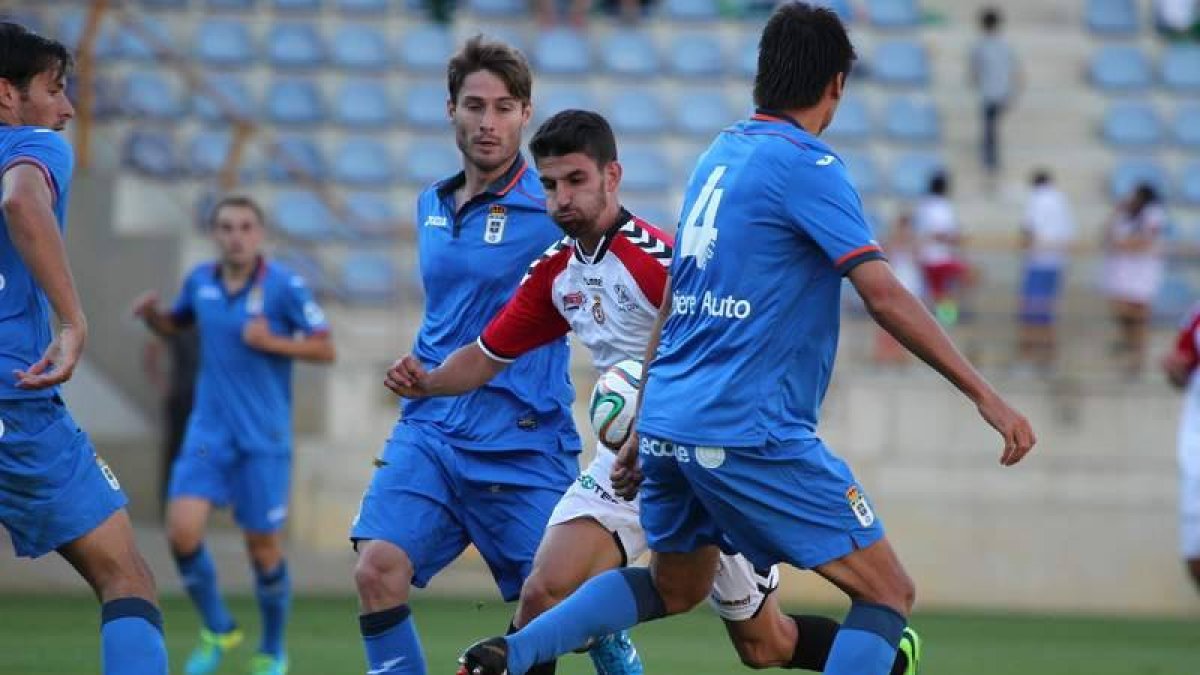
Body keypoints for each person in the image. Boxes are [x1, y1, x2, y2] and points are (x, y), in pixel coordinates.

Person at [458, 5, 1035, 675]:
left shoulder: (718, 154)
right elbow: (881, 292)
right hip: (747, 428)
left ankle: (515, 649)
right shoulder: (809, 164)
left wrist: (647, 419)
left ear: (764, 76)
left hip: (672, 421)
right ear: (837, 86)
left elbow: (678, 295)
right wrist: (985, 394)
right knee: (887, 591)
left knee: (678, 586)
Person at [388, 109, 917, 674]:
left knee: (766, 646)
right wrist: (429, 382)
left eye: (576, 181)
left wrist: (652, 421)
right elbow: (486, 355)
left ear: (611, 177)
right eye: (549, 185)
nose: (561, 198)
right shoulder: (555, 275)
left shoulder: (657, 261)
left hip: (703, 447)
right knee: (543, 590)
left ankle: (886, 658)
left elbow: (720, 349)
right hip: (625, 459)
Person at [348, 37, 643, 675]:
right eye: (474, 105)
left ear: (525, 114)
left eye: (504, 108)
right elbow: (451, 312)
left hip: (522, 436)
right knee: (376, 569)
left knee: (549, 606)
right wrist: (419, 370)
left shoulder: (551, 203)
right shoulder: (431, 203)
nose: (488, 122)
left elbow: (622, 255)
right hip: (432, 426)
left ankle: (607, 639)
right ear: (449, 109)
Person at [0, 21, 168, 674]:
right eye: (54, 88)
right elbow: (20, 200)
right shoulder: (33, 145)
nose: (68, 109)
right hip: (16, 398)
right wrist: (73, 321)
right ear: (6, 96)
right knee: (127, 576)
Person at [132, 195, 336, 675]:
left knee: (261, 549)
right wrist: (153, 318)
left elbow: (325, 348)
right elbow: (178, 324)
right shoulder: (200, 280)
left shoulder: (285, 286)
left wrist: (274, 343)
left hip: (263, 438)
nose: (235, 236)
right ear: (215, 234)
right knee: (182, 532)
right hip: (208, 431)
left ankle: (271, 649)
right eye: (226, 227)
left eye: (245, 227)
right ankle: (219, 627)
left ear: (259, 234)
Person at [1102, 183, 1166, 377]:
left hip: (1142, 274)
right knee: (1122, 313)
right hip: (1123, 274)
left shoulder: (1154, 214)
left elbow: (1145, 241)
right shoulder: (1125, 216)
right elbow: (1107, 236)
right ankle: (1129, 348)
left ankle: (1137, 359)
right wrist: (1116, 212)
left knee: (1138, 316)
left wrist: (1123, 244)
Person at [1016, 170, 1075, 373]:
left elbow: (1028, 229)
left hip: (1038, 261)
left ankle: (1028, 358)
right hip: (1056, 262)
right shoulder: (1061, 200)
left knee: (1031, 310)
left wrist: (1024, 246)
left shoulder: (1037, 198)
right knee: (1047, 312)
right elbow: (1069, 234)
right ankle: (1049, 358)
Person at [1161, 303, 1200, 595]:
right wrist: (1175, 369)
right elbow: (1182, 372)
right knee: (1194, 551)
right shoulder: (1197, 315)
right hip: (1196, 441)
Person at [913, 171, 968, 326]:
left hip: (928, 257)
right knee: (946, 291)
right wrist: (956, 238)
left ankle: (937, 319)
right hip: (939, 258)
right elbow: (939, 232)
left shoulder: (924, 205)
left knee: (937, 292)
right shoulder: (941, 206)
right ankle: (946, 320)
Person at [969, 6, 1018, 179]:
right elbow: (1014, 70)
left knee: (990, 126)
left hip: (990, 92)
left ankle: (990, 161)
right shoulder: (1005, 45)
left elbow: (974, 71)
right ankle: (991, 159)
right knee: (991, 126)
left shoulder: (979, 46)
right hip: (1001, 91)